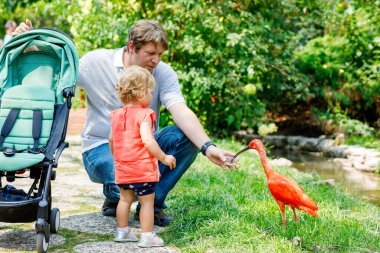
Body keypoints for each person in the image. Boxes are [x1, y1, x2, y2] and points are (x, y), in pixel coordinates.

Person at [13, 19, 238, 226]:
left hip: (145, 144)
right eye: (151, 53)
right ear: (132, 46)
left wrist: (208, 147)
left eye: (160, 54)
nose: (156, 60)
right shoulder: (96, 62)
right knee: (122, 174)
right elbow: (57, 70)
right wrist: (24, 41)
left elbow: (179, 109)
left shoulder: (162, 72)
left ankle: (151, 204)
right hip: (101, 148)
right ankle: (114, 195)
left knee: (186, 139)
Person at [110, 65, 175, 247]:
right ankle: (147, 236)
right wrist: (164, 157)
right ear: (141, 93)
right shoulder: (145, 114)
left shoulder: (115, 115)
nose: (152, 96)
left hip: (123, 167)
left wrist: (117, 158)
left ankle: (122, 232)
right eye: (151, 92)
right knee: (147, 203)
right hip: (142, 169)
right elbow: (148, 141)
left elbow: (111, 140)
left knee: (124, 199)